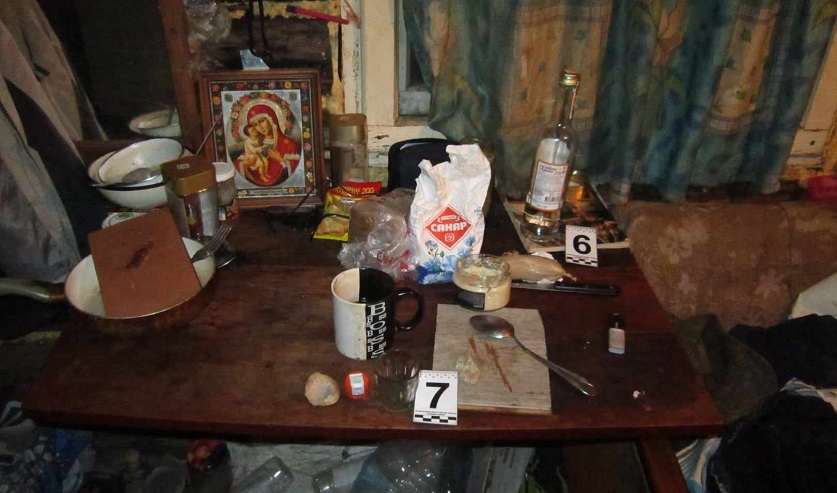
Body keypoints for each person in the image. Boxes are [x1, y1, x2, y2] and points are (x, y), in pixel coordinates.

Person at [233, 103, 301, 187]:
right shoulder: (256, 144)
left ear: (271, 120)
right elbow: (238, 164)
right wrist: (246, 164)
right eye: (255, 125)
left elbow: (296, 172)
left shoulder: (289, 144)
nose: (260, 127)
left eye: (262, 121)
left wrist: (279, 159)